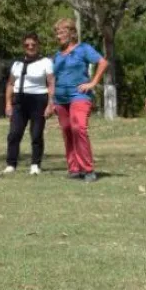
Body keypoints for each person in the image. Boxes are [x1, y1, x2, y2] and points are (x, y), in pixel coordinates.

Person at [52, 18, 107, 181]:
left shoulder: (83, 49)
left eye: (61, 32)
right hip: (60, 99)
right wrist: (51, 100)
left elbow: (103, 62)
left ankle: (88, 169)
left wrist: (93, 83)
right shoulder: (57, 55)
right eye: (57, 33)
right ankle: (74, 169)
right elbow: (53, 78)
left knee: (79, 128)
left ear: (71, 33)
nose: (58, 36)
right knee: (67, 131)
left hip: (79, 96)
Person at [3, 32, 55, 175]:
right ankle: (11, 164)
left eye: (33, 44)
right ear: (23, 46)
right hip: (19, 100)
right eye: (27, 45)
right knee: (14, 133)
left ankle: (35, 164)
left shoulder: (46, 62)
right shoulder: (17, 63)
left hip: (39, 100)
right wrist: (8, 104)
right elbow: (10, 84)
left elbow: (51, 83)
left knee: (36, 134)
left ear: (38, 45)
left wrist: (51, 104)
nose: (30, 47)